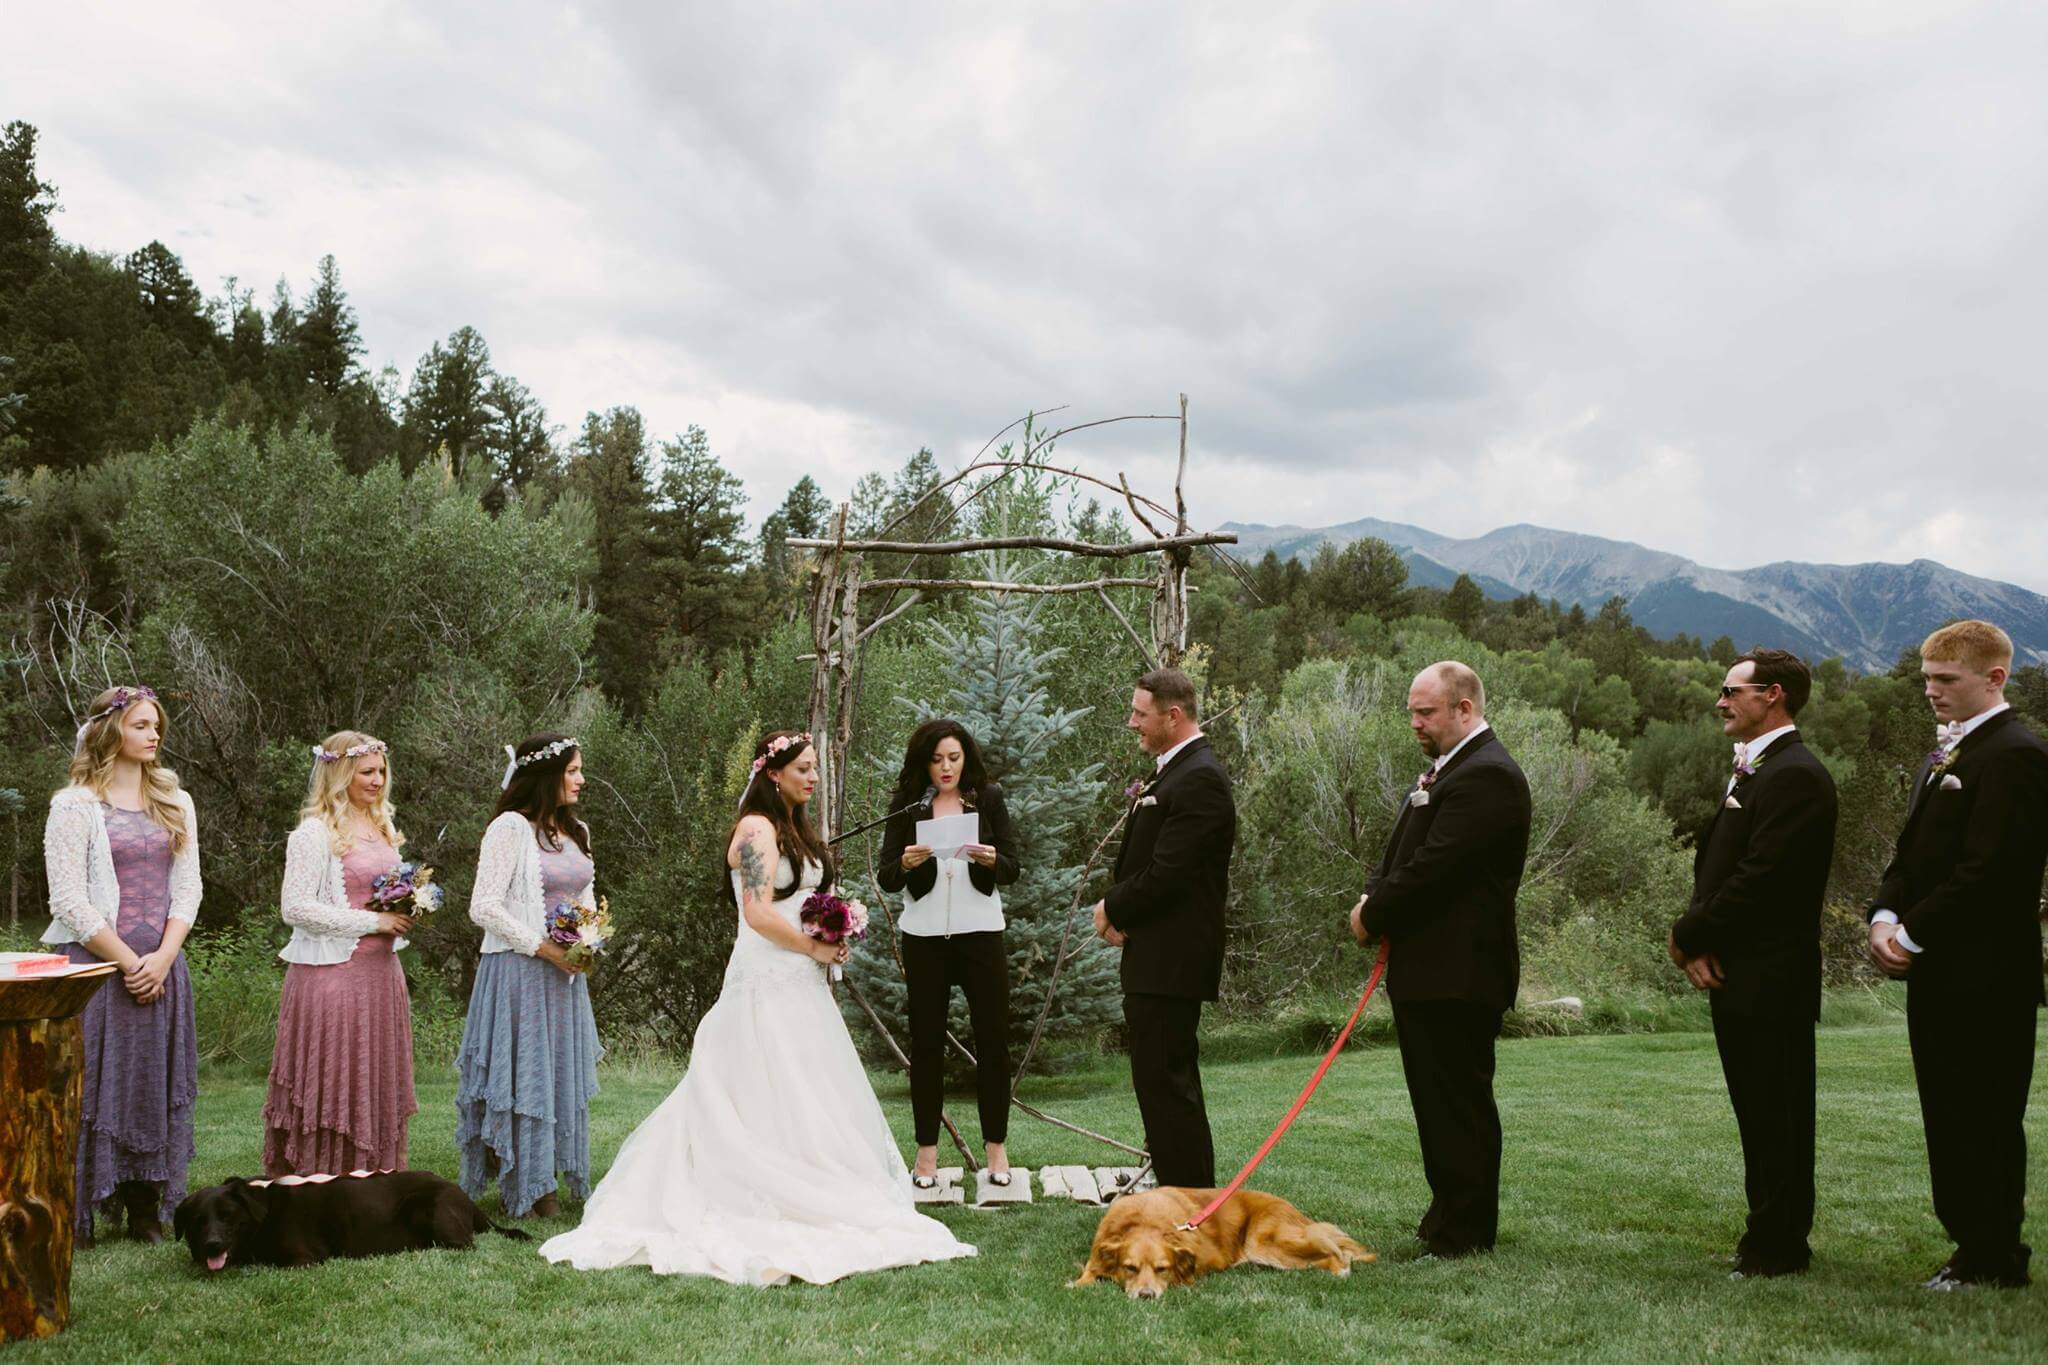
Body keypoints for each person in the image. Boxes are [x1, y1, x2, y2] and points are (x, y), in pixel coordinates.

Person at [541, 730, 975, 1285]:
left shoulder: (796, 827)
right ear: (774, 773)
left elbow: (800, 902)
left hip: (802, 983)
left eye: (816, 768)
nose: (813, 778)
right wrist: (813, 944)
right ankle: (751, 1193)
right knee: (759, 1086)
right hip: (765, 979)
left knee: (807, 1090)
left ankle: (815, 1183)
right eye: (803, 770)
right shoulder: (755, 829)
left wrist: (834, 926)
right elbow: (757, 913)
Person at [1867, 619, 2048, 1291]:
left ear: (1995, 677)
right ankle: (1969, 1244)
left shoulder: (2016, 754)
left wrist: (1910, 934)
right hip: (1939, 967)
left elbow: (1992, 871)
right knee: (1946, 1111)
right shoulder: (1945, 754)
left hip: (1988, 971)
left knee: (1986, 1114)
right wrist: (1883, 913)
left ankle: (1996, 1254)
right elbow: (1911, 852)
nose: (1932, 693)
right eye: (1926, 680)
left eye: (1947, 680)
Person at [1349, 661, 1529, 1258]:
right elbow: (1401, 852)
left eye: (1425, 712)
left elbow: (1436, 869)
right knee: (1435, 1102)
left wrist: (1372, 916)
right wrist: (1374, 892)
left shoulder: (1490, 776)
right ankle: (1446, 1213)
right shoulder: (1446, 772)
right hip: (1428, 969)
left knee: (1459, 1103)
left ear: (1465, 709)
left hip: (1461, 971)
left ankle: (1466, 1232)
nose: (1415, 723)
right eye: (1412, 712)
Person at [1668, 649, 1837, 1279]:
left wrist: (1689, 933)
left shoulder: (1795, 774)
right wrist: (1704, 941)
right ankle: (1765, 1232)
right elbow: (1716, 867)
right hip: (1738, 968)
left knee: (1779, 1112)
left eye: (1730, 689)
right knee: (1757, 1111)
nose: (1720, 700)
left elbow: (1762, 878)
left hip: (1773, 975)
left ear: (1773, 696)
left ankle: (1779, 1244)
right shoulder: (1756, 770)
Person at [42, 685, 201, 1245]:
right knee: (90, 1084)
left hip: (161, 965)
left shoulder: (176, 801)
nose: (154, 734)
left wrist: (162, 957)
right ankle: (82, 1207)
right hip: (95, 966)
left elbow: (188, 888)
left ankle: (144, 1207)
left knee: (149, 1082)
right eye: (140, 725)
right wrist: (130, 962)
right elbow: (66, 898)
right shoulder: (75, 805)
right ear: (110, 730)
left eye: (155, 725)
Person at [1090, 667, 1236, 1189]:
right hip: (1154, 955)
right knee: (1156, 1079)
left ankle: (1189, 1196)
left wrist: (1111, 906)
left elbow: (1171, 872)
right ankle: (1172, 1184)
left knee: (1169, 1081)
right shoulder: (1172, 771)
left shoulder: (1200, 778)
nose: (1132, 723)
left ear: (1173, 716)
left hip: (1173, 958)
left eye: (1140, 713)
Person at [455, 734, 604, 1218]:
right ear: (547, 775)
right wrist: (543, 947)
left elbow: (584, 900)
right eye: (574, 771)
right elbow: (484, 906)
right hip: (518, 969)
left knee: (556, 1073)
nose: (581, 779)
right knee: (526, 1075)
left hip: (564, 975)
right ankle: (531, 1187)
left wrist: (586, 943)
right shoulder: (508, 829)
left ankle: (550, 1174)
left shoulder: (576, 830)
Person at [262, 732, 418, 1177]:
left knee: (372, 1076)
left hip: (380, 973)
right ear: (339, 774)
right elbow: (295, 907)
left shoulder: (383, 827)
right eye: (366, 772)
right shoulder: (314, 834)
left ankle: (372, 1175)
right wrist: (374, 922)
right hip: (332, 975)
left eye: (381, 771)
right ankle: (322, 1175)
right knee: (335, 1078)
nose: (377, 780)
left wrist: (406, 908)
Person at [876, 719, 1020, 1189]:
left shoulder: (987, 798)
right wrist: (905, 862)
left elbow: (1014, 867)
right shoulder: (909, 804)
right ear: (924, 762)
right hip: (924, 937)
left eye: (954, 758)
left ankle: (997, 1153)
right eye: (937, 760)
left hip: (980, 933)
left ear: (966, 759)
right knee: (927, 1045)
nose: (946, 768)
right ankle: (926, 1157)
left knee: (993, 1041)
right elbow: (887, 876)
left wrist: (991, 858)